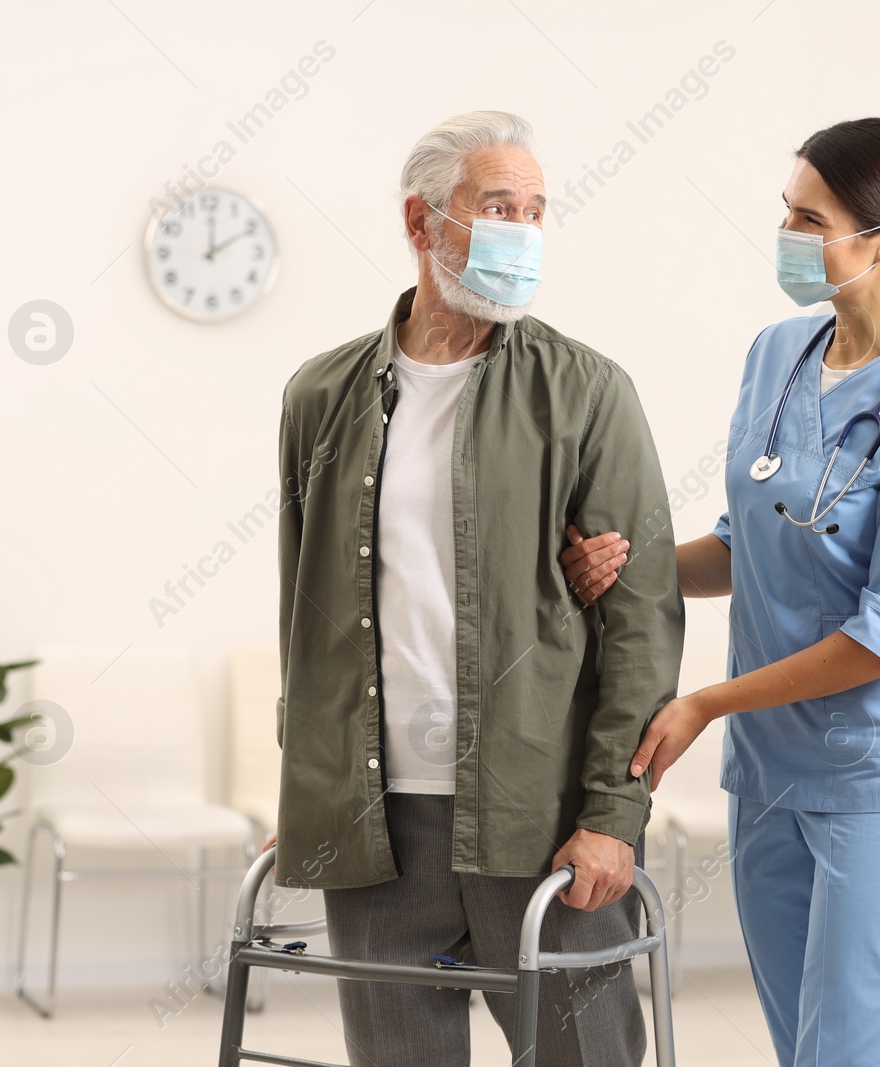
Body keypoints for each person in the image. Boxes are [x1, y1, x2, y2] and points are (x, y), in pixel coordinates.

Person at [560, 116, 880, 1067]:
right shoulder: (777, 356)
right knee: (798, 1046)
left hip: (875, 776)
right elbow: (744, 545)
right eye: (786, 214)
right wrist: (622, 568)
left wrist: (707, 702)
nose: (789, 238)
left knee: (844, 1051)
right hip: (769, 775)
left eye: (811, 220)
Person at [269, 110, 685, 1067]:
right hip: (377, 820)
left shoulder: (586, 391)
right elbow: (305, 613)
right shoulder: (319, 397)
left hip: (534, 812)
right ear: (422, 224)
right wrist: (309, 788)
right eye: (499, 206)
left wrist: (610, 817)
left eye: (537, 211)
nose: (524, 231)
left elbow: (641, 627)